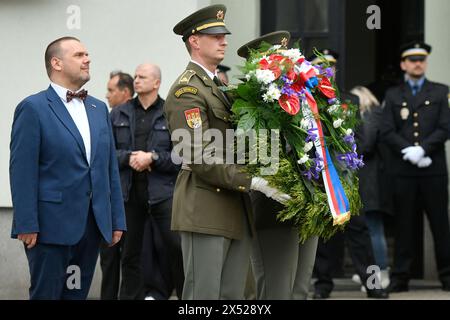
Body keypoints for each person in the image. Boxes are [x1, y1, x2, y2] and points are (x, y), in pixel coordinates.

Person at [164, 4, 289, 299]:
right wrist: (255, 181)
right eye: (215, 35)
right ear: (194, 41)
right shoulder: (187, 91)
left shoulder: (217, 85)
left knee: (233, 297)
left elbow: (237, 142)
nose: (225, 41)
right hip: (205, 207)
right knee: (203, 297)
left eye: (224, 35)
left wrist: (272, 167)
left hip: (234, 206)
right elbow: (198, 156)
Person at [9, 36, 126, 300]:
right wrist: (27, 223)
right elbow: (22, 171)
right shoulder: (33, 108)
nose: (88, 59)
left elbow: (108, 170)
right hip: (49, 228)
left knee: (76, 295)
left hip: (91, 227)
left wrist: (116, 219)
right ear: (56, 62)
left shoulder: (98, 108)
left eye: (88, 54)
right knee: (47, 295)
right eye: (79, 55)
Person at [237, 31, 319, 300]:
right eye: (277, 58)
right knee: (276, 291)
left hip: (307, 204)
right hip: (273, 209)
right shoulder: (251, 102)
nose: (286, 65)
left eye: (287, 57)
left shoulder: (305, 98)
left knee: (300, 290)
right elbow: (259, 158)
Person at [309, 49, 389, 299]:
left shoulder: (349, 101)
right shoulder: (305, 100)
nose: (326, 71)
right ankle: (322, 285)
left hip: (346, 177)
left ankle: (373, 284)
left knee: (360, 232)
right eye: (320, 67)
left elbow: (363, 140)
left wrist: (344, 155)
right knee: (322, 235)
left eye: (330, 67)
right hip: (317, 176)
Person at [109, 63, 184, 300]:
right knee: (130, 255)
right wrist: (130, 157)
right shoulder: (118, 113)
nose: (137, 80)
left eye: (142, 77)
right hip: (129, 195)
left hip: (163, 195)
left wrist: (152, 157)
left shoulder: (170, 113)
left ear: (156, 83)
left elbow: (181, 156)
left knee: (177, 251)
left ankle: (186, 299)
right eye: (136, 76)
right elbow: (106, 152)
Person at [380, 41, 450, 292]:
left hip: (433, 170)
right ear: (403, 64)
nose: (417, 63)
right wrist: (408, 151)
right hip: (404, 170)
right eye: (412, 60)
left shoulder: (441, 92)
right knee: (404, 225)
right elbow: (386, 130)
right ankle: (401, 277)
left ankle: (447, 276)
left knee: (440, 224)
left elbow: (446, 127)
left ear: (426, 62)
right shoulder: (393, 95)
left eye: (421, 59)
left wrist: (424, 149)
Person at [350, 85, 391, 289]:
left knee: (372, 230)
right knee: (368, 230)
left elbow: (365, 144)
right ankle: (371, 277)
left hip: (370, 182)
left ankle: (379, 274)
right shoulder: (373, 113)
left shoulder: (372, 114)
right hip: (364, 182)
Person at [100, 70, 135, 300]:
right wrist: (131, 157)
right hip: (113, 198)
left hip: (138, 201)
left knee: (134, 259)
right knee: (109, 258)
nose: (106, 95)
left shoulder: (148, 115)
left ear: (124, 92)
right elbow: (105, 154)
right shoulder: (111, 117)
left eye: (111, 90)